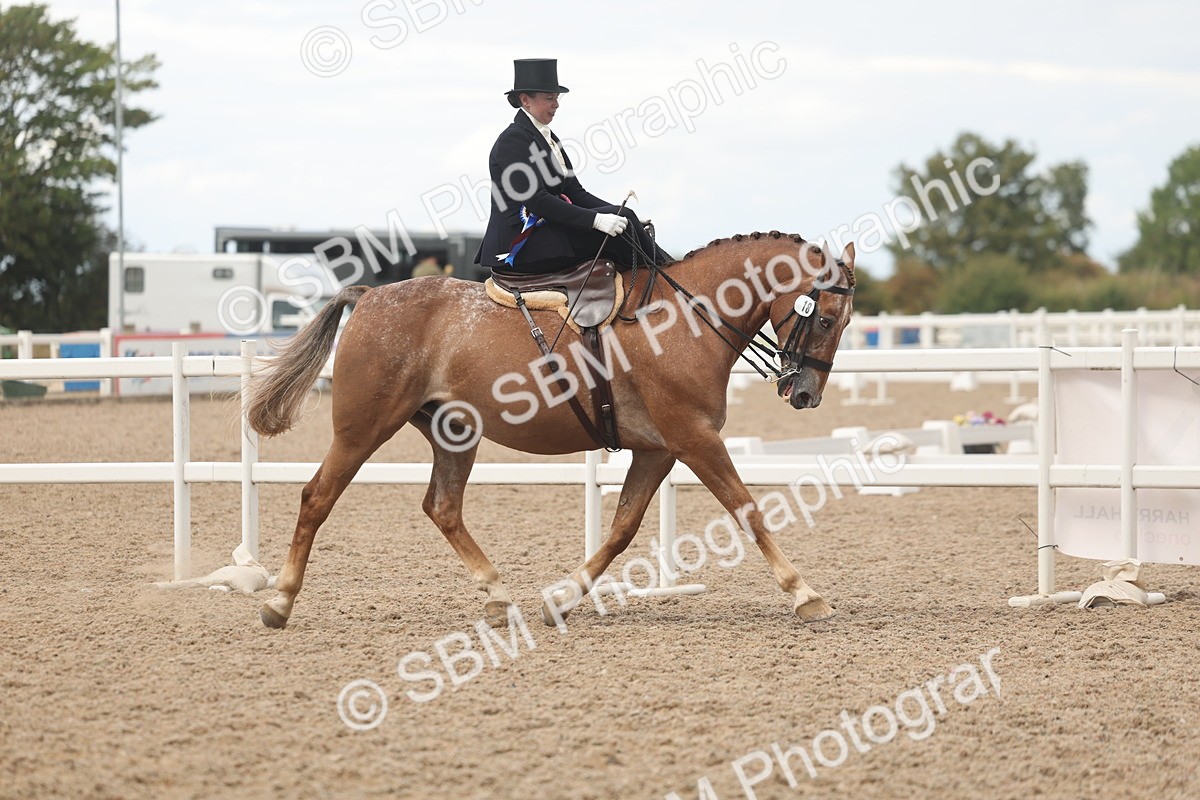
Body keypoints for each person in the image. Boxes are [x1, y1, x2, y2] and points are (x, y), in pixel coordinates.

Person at [475, 58, 670, 275]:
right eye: (549, 98)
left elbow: (576, 193)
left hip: (547, 232)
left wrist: (623, 219)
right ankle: (669, 276)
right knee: (622, 232)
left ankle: (671, 271)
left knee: (626, 217)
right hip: (521, 245)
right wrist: (596, 220)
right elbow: (537, 201)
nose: (556, 104)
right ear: (525, 100)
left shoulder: (549, 138)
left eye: (557, 98)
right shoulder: (512, 141)